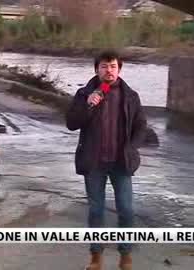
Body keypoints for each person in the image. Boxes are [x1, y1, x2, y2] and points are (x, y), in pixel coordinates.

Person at [66, 50, 147, 270]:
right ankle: (96, 256)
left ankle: (126, 255)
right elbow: (71, 123)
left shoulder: (131, 96)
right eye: (103, 66)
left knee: (127, 210)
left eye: (112, 66)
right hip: (94, 163)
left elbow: (141, 126)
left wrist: (132, 147)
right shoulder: (84, 94)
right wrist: (88, 105)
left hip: (121, 162)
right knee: (96, 211)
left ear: (119, 69)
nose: (108, 70)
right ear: (96, 69)